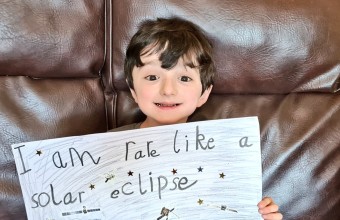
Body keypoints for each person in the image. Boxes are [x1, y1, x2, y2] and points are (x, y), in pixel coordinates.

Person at [111, 17, 283, 220]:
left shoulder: (223, 153)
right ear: (133, 90)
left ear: (204, 94)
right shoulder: (109, 146)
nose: (168, 90)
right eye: (152, 77)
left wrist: (259, 214)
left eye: (184, 78)